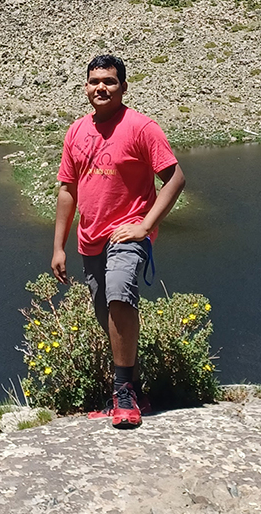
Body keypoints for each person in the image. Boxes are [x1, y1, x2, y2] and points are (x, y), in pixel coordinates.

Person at [51, 54, 185, 429]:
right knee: (105, 314)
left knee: (119, 297)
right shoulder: (76, 131)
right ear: (85, 87)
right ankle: (135, 390)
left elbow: (175, 179)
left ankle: (122, 394)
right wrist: (58, 246)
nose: (101, 88)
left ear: (123, 87)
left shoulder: (142, 127)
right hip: (89, 237)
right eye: (95, 81)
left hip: (127, 232)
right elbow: (67, 190)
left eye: (110, 81)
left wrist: (145, 226)